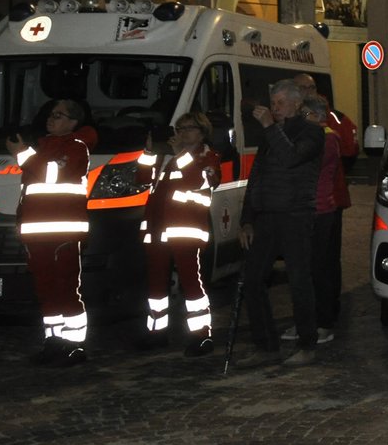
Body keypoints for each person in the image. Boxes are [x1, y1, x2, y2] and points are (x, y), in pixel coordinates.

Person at [237, 79, 325, 369]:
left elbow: (291, 158)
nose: (274, 108)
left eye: (280, 103)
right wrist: (247, 219)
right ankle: (266, 345)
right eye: (272, 103)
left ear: (297, 104)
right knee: (252, 279)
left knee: (299, 280)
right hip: (267, 216)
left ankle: (307, 344)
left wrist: (269, 127)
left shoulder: (311, 132)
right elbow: (257, 177)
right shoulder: (270, 134)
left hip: (295, 215)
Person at [7, 99, 92, 366]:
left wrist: (21, 153)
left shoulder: (76, 148)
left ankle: (75, 345)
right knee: (46, 291)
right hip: (36, 233)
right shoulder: (43, 146)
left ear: (73, 122)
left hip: (63, 233)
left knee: (66, 289)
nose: (51, 119)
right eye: (51, 114)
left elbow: (52, 174)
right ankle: (54, 342)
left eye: (59, 115)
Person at [135, 111, 219, 357]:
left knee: (191, 284)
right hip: (156, 230)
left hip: (186, 230)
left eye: (189, 128)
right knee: (156, 287)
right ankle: (156, 333)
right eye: (179, 128)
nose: (183, 133)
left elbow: (200, 181)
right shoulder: (167, 157)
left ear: (202, 132)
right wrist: (149, 153)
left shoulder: (208, 157)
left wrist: (181, 154)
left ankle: (201, 336)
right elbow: (141, 180)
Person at [290, 95, 347, 345]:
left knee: (318, 268)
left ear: (315, 116)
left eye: (303, 115)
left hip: (320, 210)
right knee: (305, 269)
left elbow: (302, 164)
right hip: (307, 209)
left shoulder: (328, 137)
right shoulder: (319, 136)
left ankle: (323, 322)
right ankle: (306, 320)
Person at [293, 73, 358, 171]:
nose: (308, 92)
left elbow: (349, 154)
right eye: (303, 88)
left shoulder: (338, 119)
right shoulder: (288, 116)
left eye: (312, 87)